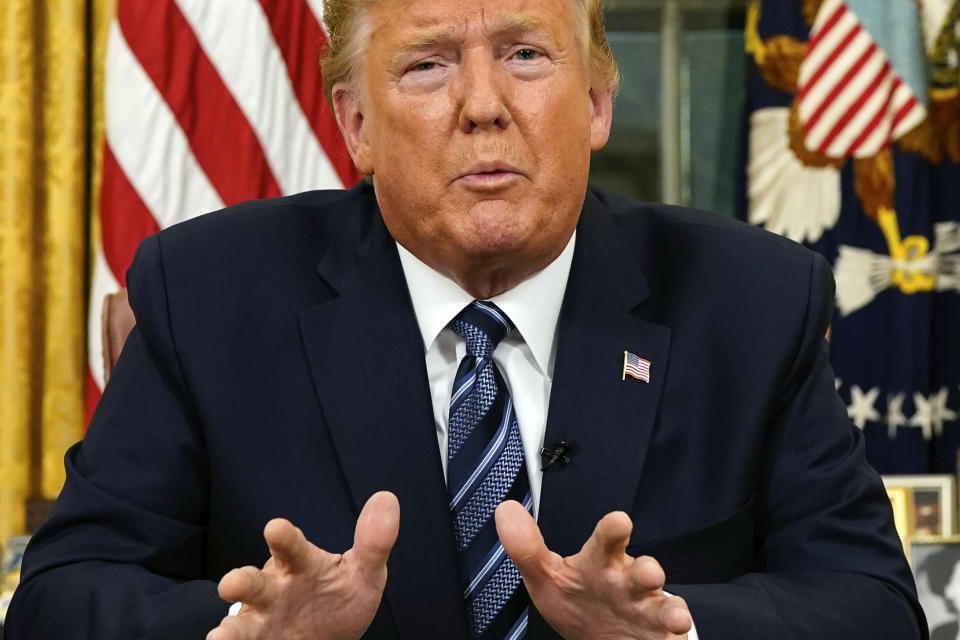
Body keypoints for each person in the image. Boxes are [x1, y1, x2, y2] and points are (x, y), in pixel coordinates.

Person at [6, 0, 926, 638]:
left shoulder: (751, 301)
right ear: (356, 124)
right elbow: (57, 603)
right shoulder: (208, 295)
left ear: (599, 101)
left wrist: (672, 628)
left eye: (526, 54)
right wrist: (247, 631)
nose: (483, 107)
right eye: (427, 64)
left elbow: (875, 607)